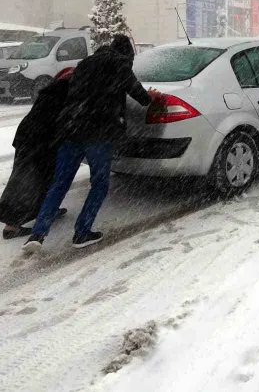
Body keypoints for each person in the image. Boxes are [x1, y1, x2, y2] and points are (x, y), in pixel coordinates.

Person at [22, 35, 158, 252]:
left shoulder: (84, 64)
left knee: (59, 184)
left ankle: (37, 234)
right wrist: (150, 97)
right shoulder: (120, 65)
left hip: (70, 129)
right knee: (100, 184)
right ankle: (82, 232)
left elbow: (73, 93)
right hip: (98, 133)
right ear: (128, 54)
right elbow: (139, 95)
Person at [0, 68, 74, 239]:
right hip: (36, 139)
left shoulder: (54, 89)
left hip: (34, 136)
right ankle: (11, 226)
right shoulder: (67, 92)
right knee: (25, 181)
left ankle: (47, 209)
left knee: (46, 176)